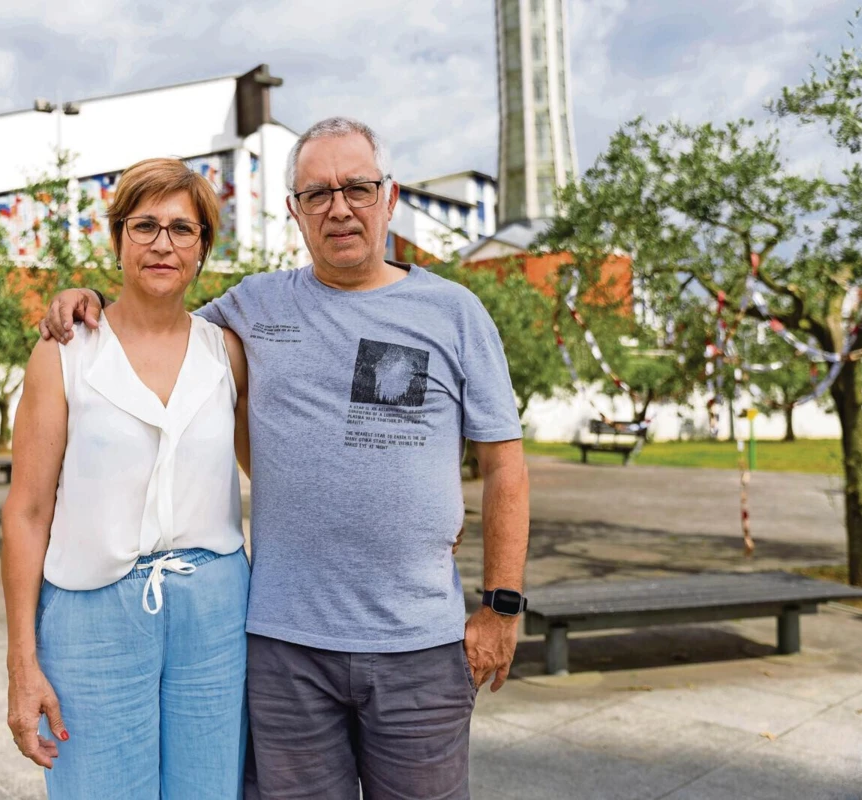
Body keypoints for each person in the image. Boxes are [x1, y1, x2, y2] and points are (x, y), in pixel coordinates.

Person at [41, 117, 531, 799]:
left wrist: (501, 608)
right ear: (295, 210)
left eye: (357, 188)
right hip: (285, 650)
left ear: (390, 197)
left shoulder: (454, 312)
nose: (339, 208)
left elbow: (506, 467)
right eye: (317, 193)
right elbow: (157, 321)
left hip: (418, 645)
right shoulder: (254, 305)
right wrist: (89, 299)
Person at [2, 157, 252, 799]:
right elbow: (27, 512)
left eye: (182, 228)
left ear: (203, 247)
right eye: (144, 226)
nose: (163, 243)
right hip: (92, 615)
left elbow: (279, 473)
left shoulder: (227, 353)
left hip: (215, 612)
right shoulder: (64, 351)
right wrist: (21, 662)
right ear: (117, 239)